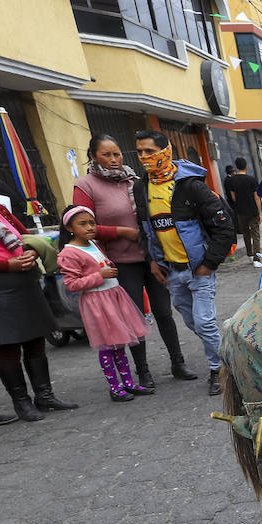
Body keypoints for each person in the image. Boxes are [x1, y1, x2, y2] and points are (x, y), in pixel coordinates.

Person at [73, 133, 197, 385]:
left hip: (152, 257)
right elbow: (83, 225)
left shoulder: (135, 180)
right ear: (93, 156)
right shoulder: (86, 186)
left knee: (164, 312)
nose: (113, 159)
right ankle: (143, 372)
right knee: (135, 317)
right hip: (120, 262)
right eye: (106, 155)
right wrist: (122, 232)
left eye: (117, 154)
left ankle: (178, 363)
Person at [136, 129, 235, 397]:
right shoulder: (141, 187)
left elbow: (225, 226)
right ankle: (230, 354)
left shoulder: (191, 186)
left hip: (199, 270)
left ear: (166, 151)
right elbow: (144, 227)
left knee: (204, 323)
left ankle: (219, 370)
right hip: (171, 272)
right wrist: (152, 261)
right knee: (194, 323)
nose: (144, 157)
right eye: (140, 152)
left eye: (150, 151)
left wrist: (209, 263)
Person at [0, 197, 76, 423]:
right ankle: (22, 403)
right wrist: (7, 265)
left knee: (36, 338)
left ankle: (45, 396)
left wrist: (32, 251)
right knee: (8, 344)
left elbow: (23, 235)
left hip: (24, 279)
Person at [56, 207, 151, 402]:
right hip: (97, 303)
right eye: (83, 224)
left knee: (119, 344)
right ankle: (114, 387)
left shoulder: (94, 244)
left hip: (114, 297)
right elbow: (72, 284)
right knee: (107, 346)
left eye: (92, 223)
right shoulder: (69, 253)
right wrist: (99, 276)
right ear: (69, 228)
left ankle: (128, 383)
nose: (89, 227)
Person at [224, 157, 262, 266]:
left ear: (236, 167)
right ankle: (257, 259)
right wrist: (260, 212)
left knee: (246, 234)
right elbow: (256, 197)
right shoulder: (252, 179)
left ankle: (250, 254)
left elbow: (233, 197)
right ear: (246, 166)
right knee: (255, 235)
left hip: (240, 211)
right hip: (252, 210)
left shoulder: (232, 180)